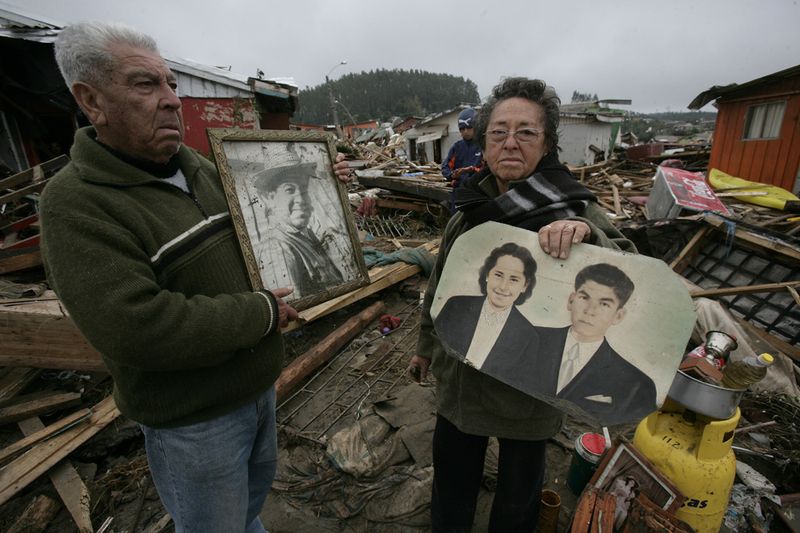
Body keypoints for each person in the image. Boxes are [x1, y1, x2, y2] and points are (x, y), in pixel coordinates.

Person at [40, 22, 352, 533]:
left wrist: (327, 186)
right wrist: (261, 312)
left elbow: (265, 234)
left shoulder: (204, 167)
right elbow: (136, 327)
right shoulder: (77, 203)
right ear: (91, 101)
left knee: (246, 512)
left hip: (259, 391)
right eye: (146, 85)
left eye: (171, 85)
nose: (170, 101)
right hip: (195, 421)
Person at [408, 77, 636, 533]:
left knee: (516, 503)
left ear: (547, 142)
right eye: (499, 132)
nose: (510, 143)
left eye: (526, 132)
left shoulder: (571, 207)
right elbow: (439, 287)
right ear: (484, 141)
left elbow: (630, 271)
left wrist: (588, 238)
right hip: (462, 381)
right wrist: (424, 345)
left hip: (530, 388)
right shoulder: (469, 210)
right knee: (452, 492)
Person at [535, 263, 657, 425]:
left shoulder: (636, 384)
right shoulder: (529, 337)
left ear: (618, 316)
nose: (590, 310)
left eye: (604, 304)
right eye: (584, 298)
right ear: (571, 300)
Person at [250, 149, 345, 300]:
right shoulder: (277, 248)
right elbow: (293, 306)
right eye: (289, 190)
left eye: (304, 190)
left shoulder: (306, 235)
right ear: (269, 198)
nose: (300, 200)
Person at [433, 242, 538, 377]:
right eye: (498, 275)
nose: (503, 287)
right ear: (488, 274)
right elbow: (437, 344)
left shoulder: (529, 336)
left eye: (514, 279)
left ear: (525, 285)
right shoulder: (456, 306)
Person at [441, 107, 483, 213]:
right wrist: (453, 175)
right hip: (459, 192)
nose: (466, 132)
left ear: (476, 127)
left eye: (469, 128)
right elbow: (445, 167)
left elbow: (488, 169)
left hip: (478, 192)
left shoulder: (483, 146)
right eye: (462, 129)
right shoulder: (457, 147)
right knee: (457, 223)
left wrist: (473, 170)